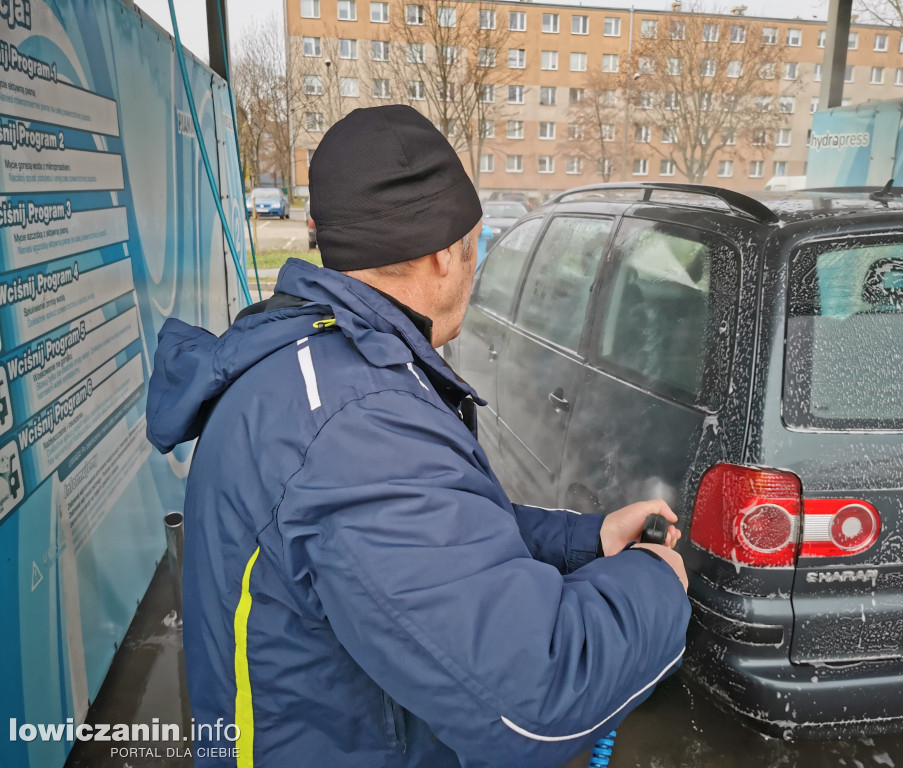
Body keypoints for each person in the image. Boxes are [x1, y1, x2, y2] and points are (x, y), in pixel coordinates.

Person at [146, 105, 691, 768]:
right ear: (442, 251)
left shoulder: (315, 365)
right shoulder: (356, 424)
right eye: (475, 246)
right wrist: (654, 585)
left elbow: (438, 533)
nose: (475, 266)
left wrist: (585, 542)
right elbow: (532, 698)